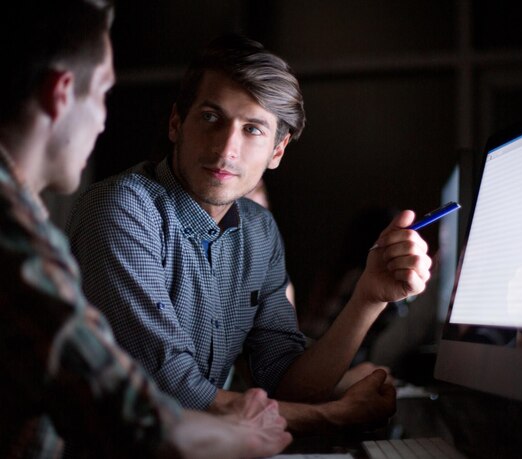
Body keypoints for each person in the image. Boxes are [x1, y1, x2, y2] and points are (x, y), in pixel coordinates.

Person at [67, 34, 432, 432]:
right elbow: (170, 392)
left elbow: (289, 385)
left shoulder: (259, 231)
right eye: (211, 117)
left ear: (278, 151)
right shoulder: (122, 208)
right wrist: (332, 416)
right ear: (176, 124)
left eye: (253, 129)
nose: (227, 149)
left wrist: (369, 296)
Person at [0, 2, 292, 458]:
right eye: (102, 95)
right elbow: (129, 413)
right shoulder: (17, 234)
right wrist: (252, 434)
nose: (101, 121)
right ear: (62, 93)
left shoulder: (22, 217)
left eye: (253, 129)